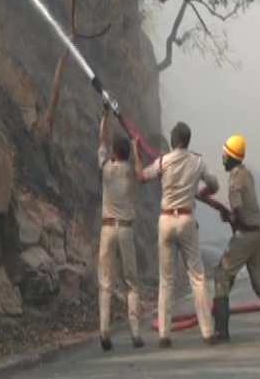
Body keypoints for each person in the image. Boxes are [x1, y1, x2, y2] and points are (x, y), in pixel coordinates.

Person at [133, 121, 219, 348]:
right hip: (187, 219)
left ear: (173, 141)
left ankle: (164, 334)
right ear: (188, 141)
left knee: (166, 280)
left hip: (166, 220)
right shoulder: (197, 162)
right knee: (197, 277)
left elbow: (141, 177)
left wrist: (136, 151)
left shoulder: (163, 161)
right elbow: (215, 185)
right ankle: (207, 331)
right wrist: (201, 193)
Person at [213, 135, 260, 343]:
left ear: (232, 157)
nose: (222, 159)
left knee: (222, 276)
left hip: (246, 235)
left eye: (225, 155)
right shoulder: (247, 174)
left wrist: (232, 219)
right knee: (259, 280)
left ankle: (222, 331)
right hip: (259, 232)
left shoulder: (235, 179)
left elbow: (238, 210)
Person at [96, 105, 143, 351]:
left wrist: (105, 117)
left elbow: (101, 142)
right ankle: (135, 333)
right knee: (131, 283)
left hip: (107, 228)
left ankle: (104, 331)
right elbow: (140, 170)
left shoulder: (106, 169)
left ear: (114, 152)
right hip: (126, 229)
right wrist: (136, 146)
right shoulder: (131, 174)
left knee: (106, 282)